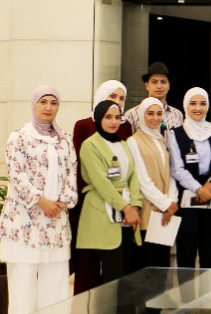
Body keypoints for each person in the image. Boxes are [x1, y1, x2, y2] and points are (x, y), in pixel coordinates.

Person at [1, 87, 77, 314]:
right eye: (43, 102)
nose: (48, 107)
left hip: (55, 220)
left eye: (53, 102)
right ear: (34, 104)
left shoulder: (64, 140)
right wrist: (41, 201)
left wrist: (62, 201)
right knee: (23, 279)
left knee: (55, 277)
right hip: (25, 221)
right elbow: (16, 174)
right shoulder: (19, 138)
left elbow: (71, 173)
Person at [71, 81, 132, 294]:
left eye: (121, 98)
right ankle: (86, 310)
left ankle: (112, 309)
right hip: (93, 203)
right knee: (89, 262)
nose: (117, 102)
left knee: (115, 263)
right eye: (113, 96)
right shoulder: (83, 125)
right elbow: (82, 168)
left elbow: (128, 166)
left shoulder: (125, 127)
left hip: (119, 205)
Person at [77, 100, 144, 284]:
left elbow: (133, 177)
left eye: (117, 117)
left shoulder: (123, 144)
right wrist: (125, 208)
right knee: (112, 273)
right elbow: (101, 182)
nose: (113, 122)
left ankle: (124, 306)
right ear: (99, 118)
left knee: (126, 272)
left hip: (128, 216)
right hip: (104, 212)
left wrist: (136, 205)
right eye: (108, 117)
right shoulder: (90, 145)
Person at [168, 88, 211, 269]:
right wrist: (198, 189)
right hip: (187, 202)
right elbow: (177, 169)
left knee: (210, 261)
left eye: (202, 103)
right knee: (185, 260)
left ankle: (210, 290)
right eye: (193, 103)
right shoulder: (175, 134)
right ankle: (187, 291)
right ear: (185, 106)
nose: (198, 108)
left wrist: (209, 185)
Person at [128, 97, 179, 268]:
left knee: (162, 265)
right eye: (150, 113)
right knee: (146, 266)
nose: (155, 118)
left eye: (159, 114)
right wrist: (166, 204)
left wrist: (172, 201)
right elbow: (142, 180)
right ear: (142, 115)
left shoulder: (161, 139)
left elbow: (170, 173)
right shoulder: (133, 141)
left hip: (165, 213)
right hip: (147, 211)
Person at [123, 62, 184, 133]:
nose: (159, 86)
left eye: (163, 82)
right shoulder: (131, 115)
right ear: (146, 85)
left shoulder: (177, 115)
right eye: (154, 82)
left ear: (169, 85)